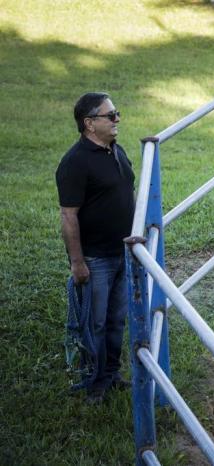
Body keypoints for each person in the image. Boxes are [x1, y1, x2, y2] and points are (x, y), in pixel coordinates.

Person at [56, 92, 135, 403]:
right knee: (95, 323)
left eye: (117, 113)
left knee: (117, 320)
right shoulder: (75, 163)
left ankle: (111, 373)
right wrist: (77, 262)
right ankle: (93, 382)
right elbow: (68, 216)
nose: (117, 120)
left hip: (123, 254)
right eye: (110, 115)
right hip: (95, 258)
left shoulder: (118, 151)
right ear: (89, 123)